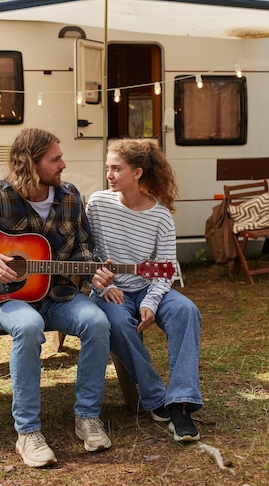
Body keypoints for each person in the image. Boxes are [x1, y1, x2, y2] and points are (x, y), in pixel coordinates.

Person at [0, 128, 114, 468]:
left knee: (97, 321)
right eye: (55, 159)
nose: (63, 164)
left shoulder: (70, 196)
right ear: (31, 163)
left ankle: (87, 416)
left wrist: (94, 272)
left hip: (57, 293)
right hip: (8, 298)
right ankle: (27, 432)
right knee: (28, 326)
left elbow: (84, 248)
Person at [86, 138, 203, 443]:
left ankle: (181, 405)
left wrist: (150, 302)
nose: (109, 174)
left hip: (150, 287)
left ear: (137, 173)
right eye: (107, 168)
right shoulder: (97, 204)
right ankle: (156, 396)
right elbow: (87, 254)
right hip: (110, 292)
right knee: (118, 323)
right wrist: (104, 282)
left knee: (186, 310)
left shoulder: (160, 215)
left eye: (116, 168)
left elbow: (165, 269)